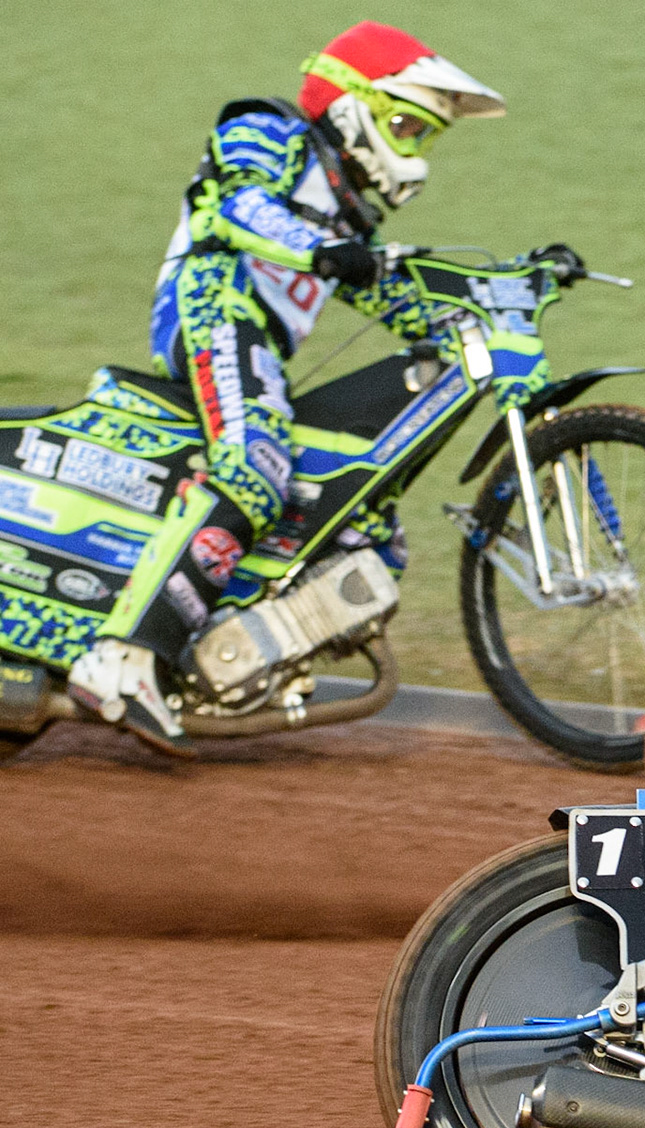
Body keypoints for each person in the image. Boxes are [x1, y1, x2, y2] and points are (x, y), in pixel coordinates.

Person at [66, 22, 506, 752]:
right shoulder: (265, 128)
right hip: (214, 316)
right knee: (255, 470)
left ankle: (246, 653)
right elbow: (243, 209)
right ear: (348, 105)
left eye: (423, 137)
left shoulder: (344, 211)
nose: (413, 153)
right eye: (404, 126)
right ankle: (123, 654)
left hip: (259, 348)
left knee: (364, 526)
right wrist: (328, 251)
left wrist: (489, 305)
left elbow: (385, 296)